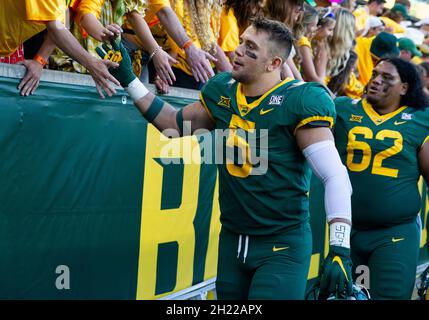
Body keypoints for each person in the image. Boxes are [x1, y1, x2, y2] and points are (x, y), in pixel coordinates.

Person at [98, 17, 354, 299]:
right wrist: (130, 79)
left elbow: (334, 175)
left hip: (281, 245)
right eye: (242, 41)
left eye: (251, 48)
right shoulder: (223, 91)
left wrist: (340, 247)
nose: (238, 50)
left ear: (274, 64)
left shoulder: (299, 100)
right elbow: (172, 123)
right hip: (232, 240)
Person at [334, 57, 429, 299]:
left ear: (404, 88)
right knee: (355, 295)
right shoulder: (345, 109)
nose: (375, 80)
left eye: (387, 78)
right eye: (375, 73)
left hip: (395, 234)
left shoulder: (420, 120)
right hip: (350, 232)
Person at [0, 0, 120, 98]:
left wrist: (39, 60)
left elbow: (63, 20)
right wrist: (91, 63)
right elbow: (55, 27)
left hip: (9, 48)